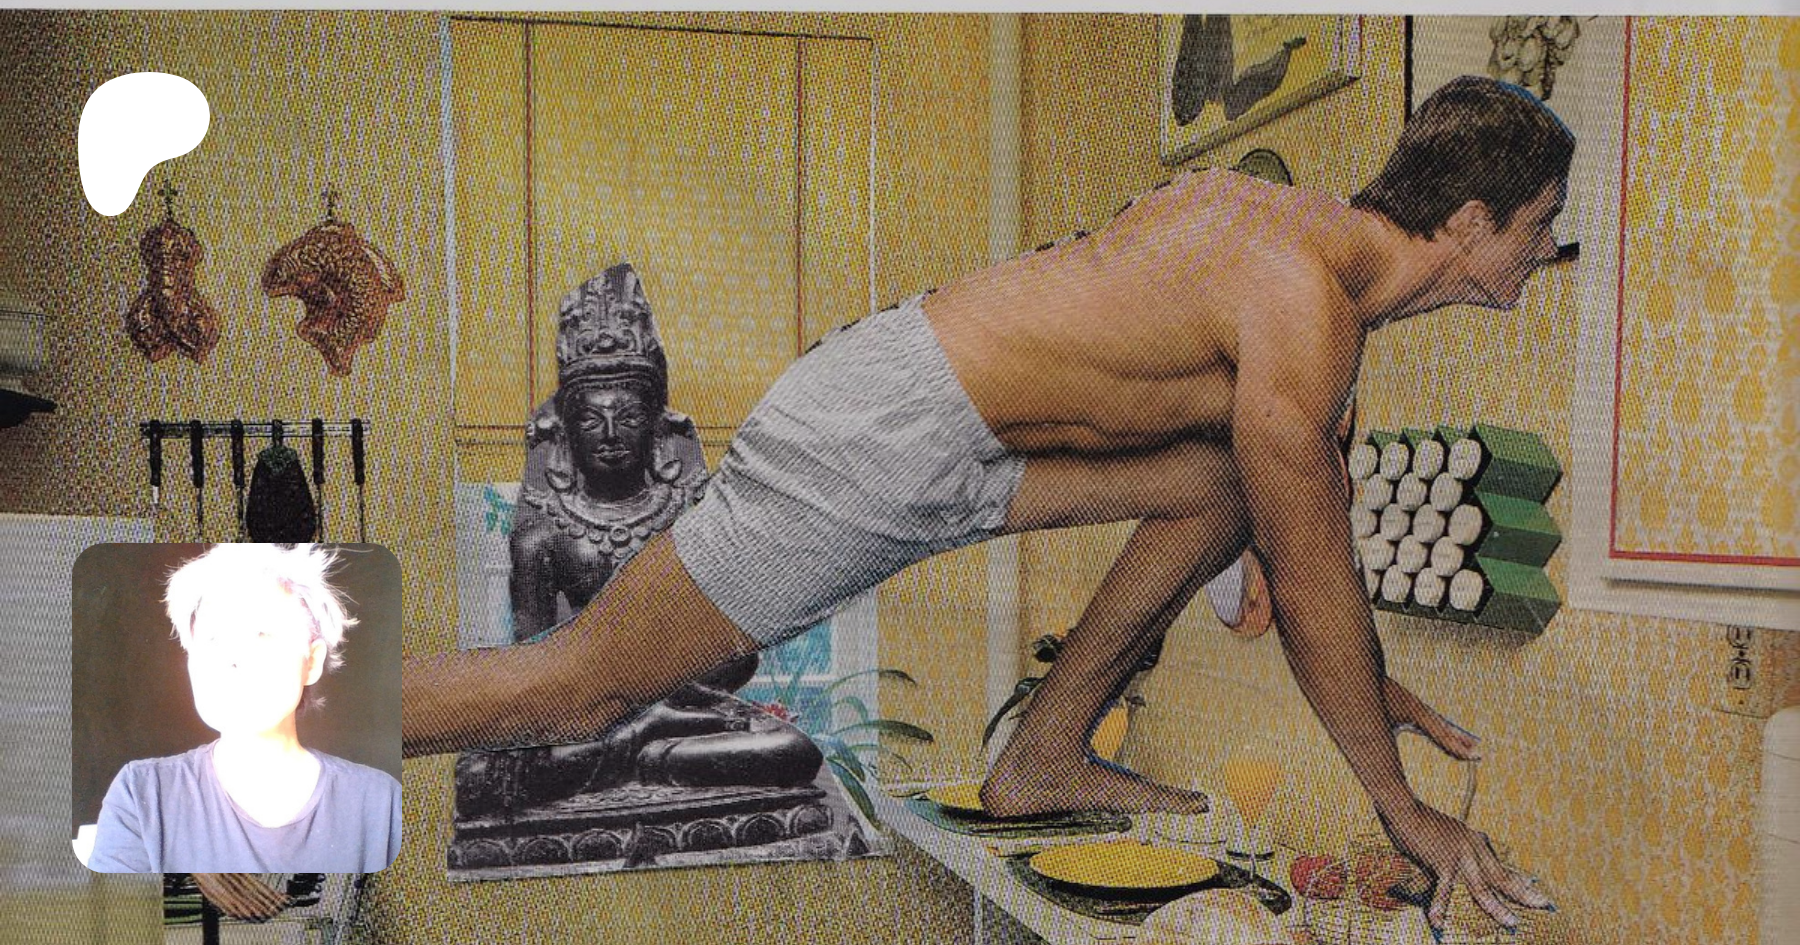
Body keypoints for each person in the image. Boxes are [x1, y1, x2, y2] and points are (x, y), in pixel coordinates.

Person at [404, 76, 1567, 934]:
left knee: (1229, 479)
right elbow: (1310, 577)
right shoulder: (1303, 304)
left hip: (939, 433)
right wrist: (1401, 806)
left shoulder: (1272, 234)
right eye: (1541, 221)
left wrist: (1362, 680)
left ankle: (1044, 752)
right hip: (881, 434)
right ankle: (285, 717)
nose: (1548, 246)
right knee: (578, 687)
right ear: (1472, 220)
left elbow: (1283, 524)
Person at [87, 544, 401, 873]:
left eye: (261, 634)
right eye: (212, 639)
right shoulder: (143, 795)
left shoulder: (381, 804)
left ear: (312, 662)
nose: (233, 658)